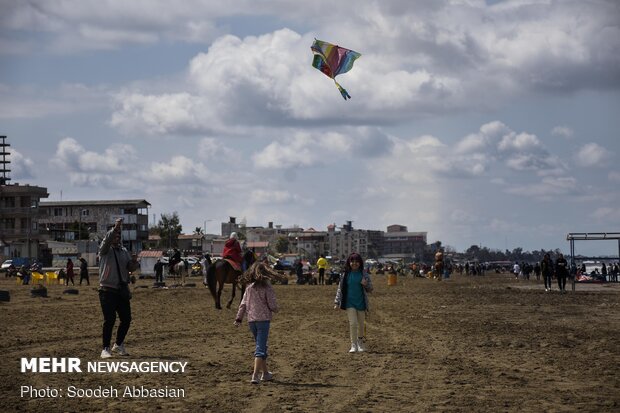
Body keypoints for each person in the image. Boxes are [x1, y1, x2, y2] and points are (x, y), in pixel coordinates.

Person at [98, 218, 139, 359]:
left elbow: (130, 268)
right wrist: (116, 226)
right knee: (109, 320)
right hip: (107, 290)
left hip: (121, 290)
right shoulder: (104, 249)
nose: (116, 237)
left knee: (126, 319)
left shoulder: (123, 251)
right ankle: (105, 348)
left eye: (118, 235)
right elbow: (108, 239)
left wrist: (134, 262)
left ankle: (119, 344)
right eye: (114, 235)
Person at [234, 264, 279, 384]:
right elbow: (272, 305)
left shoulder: (249, 288)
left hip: (251, 320)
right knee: (260, 348)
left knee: (261, 346)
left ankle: (265, 374)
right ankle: (255, 375)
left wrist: (238, 318)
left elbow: (243, 304)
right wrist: (276, 309)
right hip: (263, 320)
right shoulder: (267, 288)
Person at [334, 252, 373, 353]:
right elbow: (340, 289)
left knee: (361, 324)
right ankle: (353, 344)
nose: (354, 263)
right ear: (349, 262)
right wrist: (337, 302)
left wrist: (365, 284)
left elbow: (370, 289)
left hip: (361, 303)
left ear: (360, 263)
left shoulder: (364, 274)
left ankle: (360, 343)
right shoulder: (345, 275)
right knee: (353, 323)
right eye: (352, 261)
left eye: (357, 261)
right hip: (349, 303)